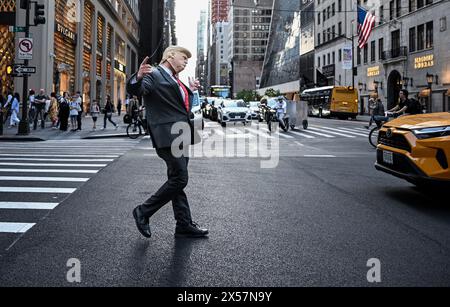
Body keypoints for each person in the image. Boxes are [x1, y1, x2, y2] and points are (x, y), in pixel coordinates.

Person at [126, 46, 207, 239]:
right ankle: (143, 212)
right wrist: (137, 78)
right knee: (180, 179)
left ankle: (183, 224)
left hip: (181, 135)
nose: (186, 61)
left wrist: (191, 91)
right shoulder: (154, 73)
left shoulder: (174, 78)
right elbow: (139, 89)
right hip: (167, 135)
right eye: (183, 57)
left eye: (188, 59)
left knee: (176, 180)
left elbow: (179, 105)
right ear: (170, 56)